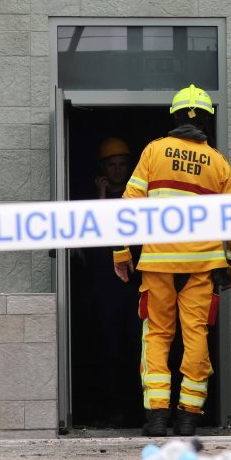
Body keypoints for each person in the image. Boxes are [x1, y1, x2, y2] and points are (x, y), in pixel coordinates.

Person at [112, 84, 231, 437]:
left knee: (157, 336)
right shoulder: (218, 163)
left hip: (158, 265)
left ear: (174, 117)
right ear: (207, 121)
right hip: (201, 268)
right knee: (195, 337)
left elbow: (129, 204)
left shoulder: (154, 151)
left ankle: (157, 417)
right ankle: (188, 417)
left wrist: (121, 251)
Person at [87, 137, 143, 426]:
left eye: (123, 164)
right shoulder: (96, 197)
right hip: (106, 289)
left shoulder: (137, 197)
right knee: (110, 351)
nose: (118, 170)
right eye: (112, 165)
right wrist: (101, 198)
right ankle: (114, 410)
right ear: (103, 168)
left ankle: (140, 410)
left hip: (133, 287)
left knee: (138, 348)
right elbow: (95, 244)